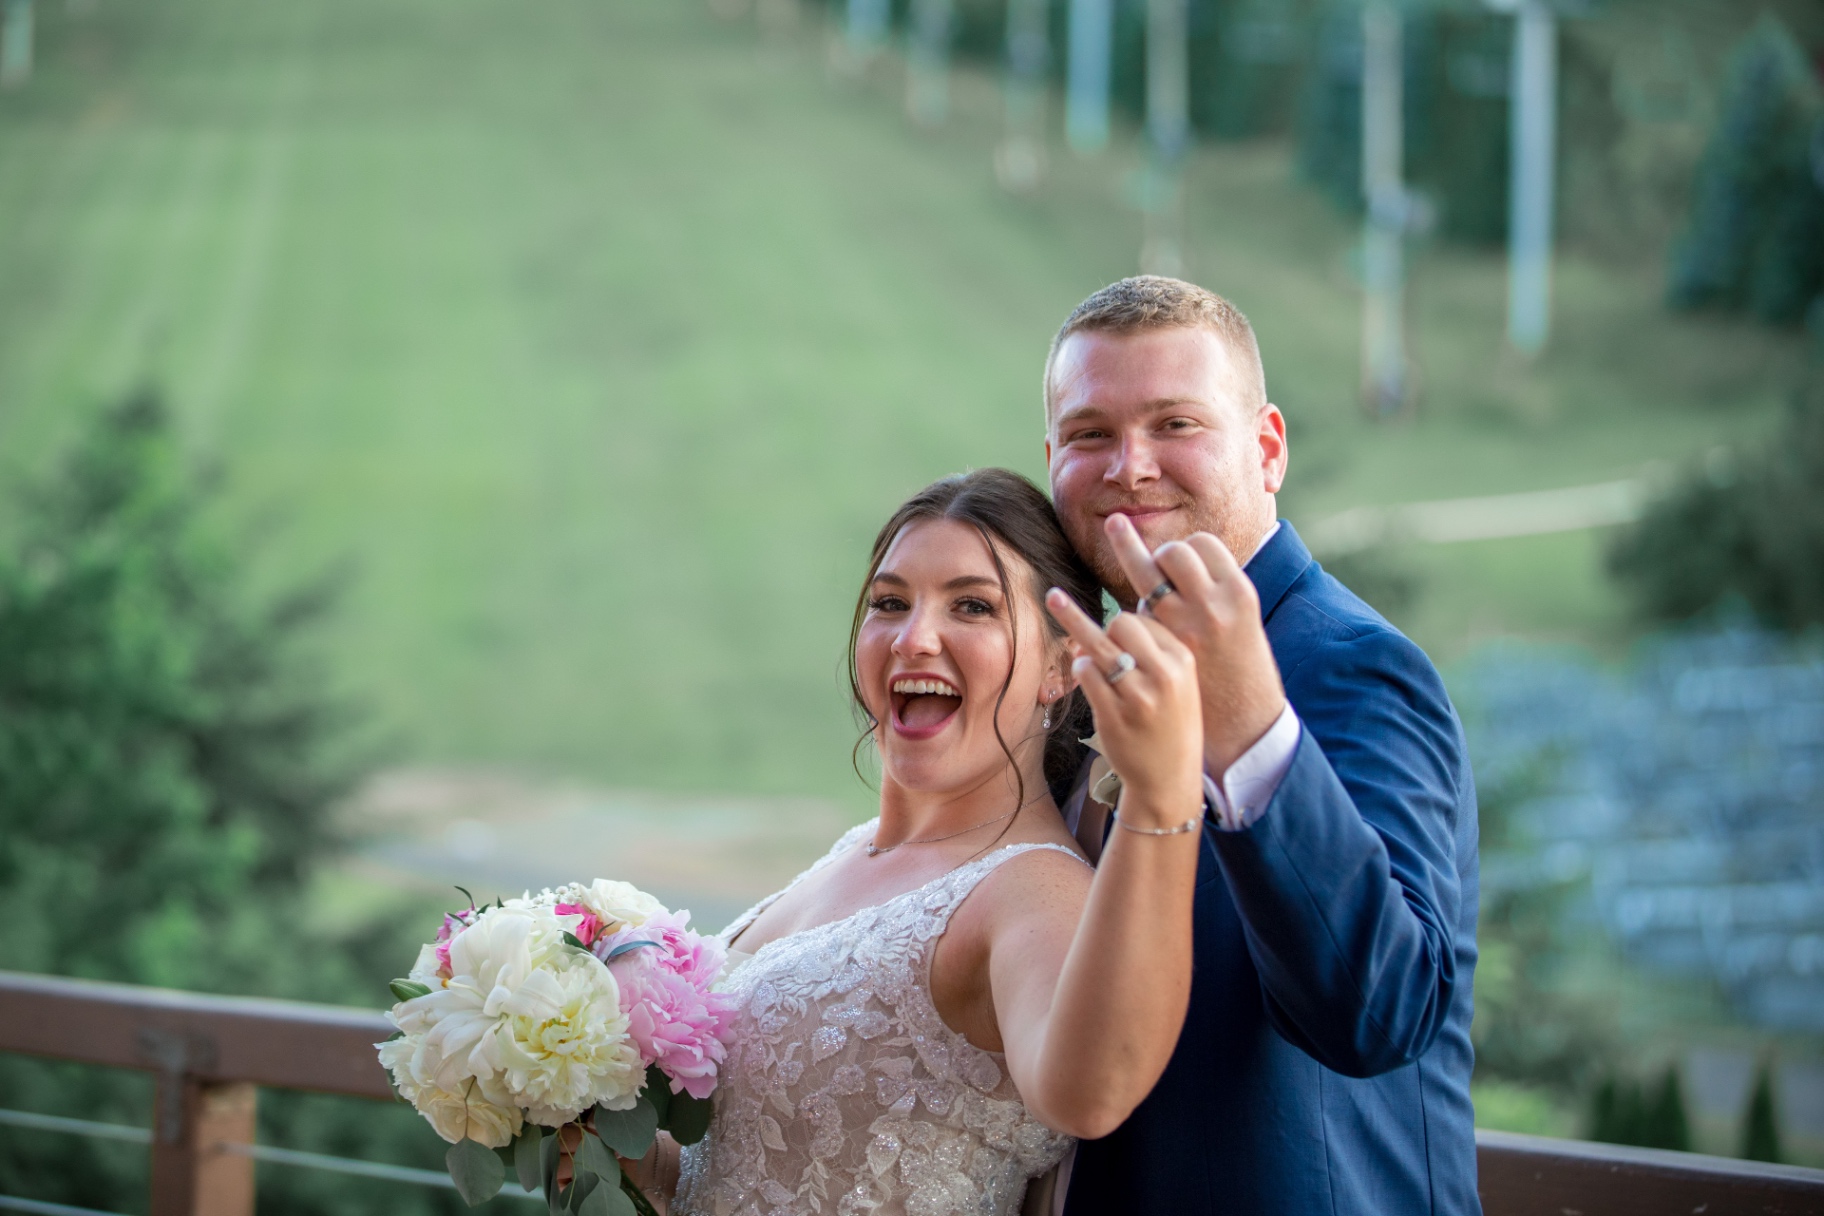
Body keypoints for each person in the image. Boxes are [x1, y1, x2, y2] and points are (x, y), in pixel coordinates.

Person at [641, 468, 1211, 1216]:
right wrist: (581, 1110)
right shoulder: (846, 855)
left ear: (1060, 663)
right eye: (889, 604)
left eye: (972, 606)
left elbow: (1091, 1092)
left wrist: (1161, 796)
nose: (915, 637)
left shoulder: (1029, 892)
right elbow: (728, 1170)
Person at [1044, 276, 1481, 1215]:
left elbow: (1384, 1012)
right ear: (1051, 459)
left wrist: (1246, 726)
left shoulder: (1353, 666)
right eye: (1089, 434)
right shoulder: (1080, 677)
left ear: (1267, 448)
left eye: (1175, 424)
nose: (1130, 465)